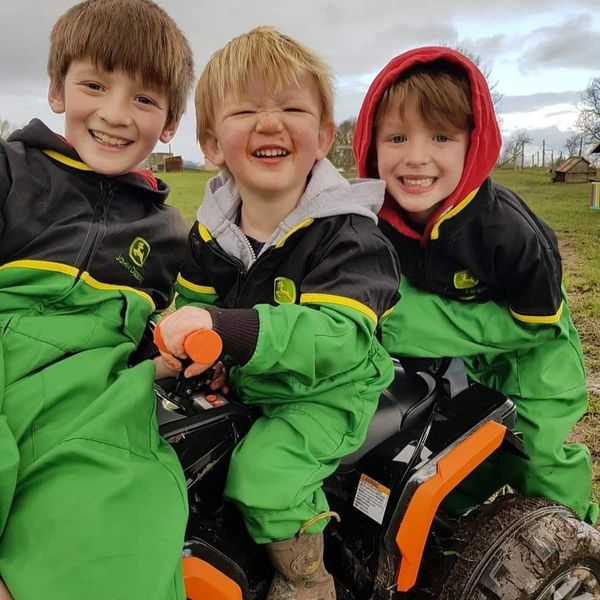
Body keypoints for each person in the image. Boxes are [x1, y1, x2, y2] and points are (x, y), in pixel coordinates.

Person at [156, 26, 400, 600]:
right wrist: (197, 354)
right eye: (245, 111)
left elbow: (336, 336)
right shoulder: (213, 230)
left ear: (322, 137)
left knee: (264, 476)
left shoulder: (349, 234)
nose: (269, 123)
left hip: (328, 390)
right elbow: (195, 304)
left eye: (291, 108)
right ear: (212, 143)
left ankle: (307, 578)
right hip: (254, 378)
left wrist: (226, 330)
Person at [352, 46, 598, 524]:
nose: (416, 157)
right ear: (370, 145)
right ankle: (451, 539)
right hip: (466, 364)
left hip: (536, 356)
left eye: (441, 137)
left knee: (537, 458)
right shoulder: (374, 223)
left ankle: (576, 543)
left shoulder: (509, 231)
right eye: (397, 137)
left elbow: (538, 323)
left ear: (474, 144)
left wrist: (410, 322)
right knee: (448, 463)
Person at [0, 1, 195, 598]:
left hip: (89, 406)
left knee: (123, 529)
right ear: (57, 90)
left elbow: (155, 327)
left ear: (169, 122)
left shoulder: (169, 233)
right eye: (94, 85)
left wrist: (170, 352)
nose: (114, 113)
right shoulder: (10, 172)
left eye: (144, 98)